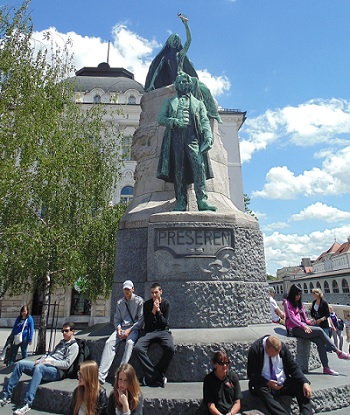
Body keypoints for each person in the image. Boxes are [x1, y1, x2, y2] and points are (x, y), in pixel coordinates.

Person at [145, 14, 222, 124]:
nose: (175, 41)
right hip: (176, 81)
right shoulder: (165, 58)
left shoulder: (180, 54)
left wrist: (186, 25)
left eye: (177, 40)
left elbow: (189, 41)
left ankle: (212, 113)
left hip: (185, 78)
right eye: (173, 39)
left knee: (204, 88)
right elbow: (157, 71)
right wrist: (151, 84)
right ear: (169, 42)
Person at [157, 71, 216, 212]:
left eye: (185, 81)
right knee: (179, 170)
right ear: (176, 85)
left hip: (192, 137)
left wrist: (208, 136)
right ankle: (181, 201)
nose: (182, 84)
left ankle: (202, 201)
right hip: (176, 137)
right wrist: (173, 121)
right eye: (180, 82)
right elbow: (160, 118)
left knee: (199, 167)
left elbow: (204, 120)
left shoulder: (198, 103)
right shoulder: (169, 102)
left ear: (189, 84)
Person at [0, 322, 79, 415]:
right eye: (62, 331)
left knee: (39, 368)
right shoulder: (61, 342)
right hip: (45, 365)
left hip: (57, 371)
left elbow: (67, 364)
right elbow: (50, 354)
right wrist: (42, 359)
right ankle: (6, 395)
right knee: (21, 364)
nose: (64, 333)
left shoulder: (74, 346)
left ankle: (27, 403)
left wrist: (50, 362)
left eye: (66, 331)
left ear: (73, 332)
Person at [283, 284, 350, 376]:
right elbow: (291, 318)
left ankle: (326, 368)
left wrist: (309, 322)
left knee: (320, 342)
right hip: (294, 329)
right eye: (297, 295)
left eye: (300, 295)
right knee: (319, 330)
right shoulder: (287, 302)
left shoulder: (299, 303)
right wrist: (304, 327)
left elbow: (304, 318)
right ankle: (338, 351)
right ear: (292, 294)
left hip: (303, 327)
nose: (298, 297)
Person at [247, 335, 312, 415]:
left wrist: (304, 382)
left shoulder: (282, 347)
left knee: (301, 385)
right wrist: (267, 382)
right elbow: (252, 374)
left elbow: (293, 367)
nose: (275, 356)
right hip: (266, 384)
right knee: (261, 389)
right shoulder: (255, 349)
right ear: (267, 347)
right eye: (272, 355)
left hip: (282, 382)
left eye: (276, 354)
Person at [99, 280, 144, 384]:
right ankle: (101, 375)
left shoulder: (139, 301)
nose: (127, 291)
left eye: (129, 289)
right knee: (109, 342)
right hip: (121, 328)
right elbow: (117, 319)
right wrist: (118, 329)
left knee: (129, 343)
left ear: (133, 289)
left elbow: (141, 320)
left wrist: (130, 330)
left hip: (133, 328)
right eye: (125, 289)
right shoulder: (120, 303)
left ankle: (120, 374)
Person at [133, 283, 175, 387]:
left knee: (170, 348)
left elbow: (164, 323)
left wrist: (159, 311)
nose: (154, 295)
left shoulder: (166, 304)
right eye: (152, 293)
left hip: (163, 331)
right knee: (138, 348)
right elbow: (147, 323)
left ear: (161, 292)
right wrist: (153, 310)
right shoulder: (147, 304)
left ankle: (153, 375)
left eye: (156, 292)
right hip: (149, 332)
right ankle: (158, 376)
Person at [203, 350, 242, 415]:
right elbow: (210, 405)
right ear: (215, 364)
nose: (225, 366)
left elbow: (237, 403)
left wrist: (231, 413)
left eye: (227, 363)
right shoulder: (208, 380)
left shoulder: (233, 377)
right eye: (221, 363)